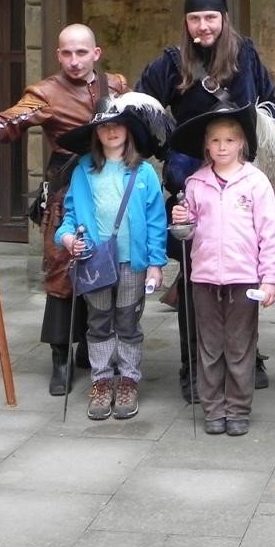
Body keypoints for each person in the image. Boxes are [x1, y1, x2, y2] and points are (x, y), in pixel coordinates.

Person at [136, 0, 275, 402]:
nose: (203, 26)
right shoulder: (170, 61)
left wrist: (258, 131)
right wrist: (171, 147)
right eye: (195, 18)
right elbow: (143, 109)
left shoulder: (246, 54)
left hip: (239, 180)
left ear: (224, 18)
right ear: (186, 21)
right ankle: (193, 367)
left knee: (243, 276)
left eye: (211, 18)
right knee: (195, 279)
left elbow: (271, 102)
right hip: (190, 183)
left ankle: (246, 359)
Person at [0, 23, 128, 396]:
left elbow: (134, 121)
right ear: (58, 55)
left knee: (106, 265)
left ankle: (94, 347)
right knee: (63, 272)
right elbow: (11, 121)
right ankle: (61, 359)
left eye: (81, 52)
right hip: (67, 192)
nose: (74, 61)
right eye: (67, 53)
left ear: (96, 53)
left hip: (110, 189)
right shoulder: (45, 93)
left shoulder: (117, 85)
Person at [169, 103, 275, 436]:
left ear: (241, 144)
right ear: (206, 144)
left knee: (239, 346)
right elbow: (188, 228)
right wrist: (182, 220)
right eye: (216, 141)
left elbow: (269, 232)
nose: (222, 147)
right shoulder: (195, 183)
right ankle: (213, 408)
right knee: (208, 346)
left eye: (229, 141)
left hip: (244, 277)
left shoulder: (255, 182)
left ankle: (237, 408)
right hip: (204, 277)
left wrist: (270, 277)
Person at [54, 93, 170, 420]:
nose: (112, 132)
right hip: (94, 261)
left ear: (129, 131)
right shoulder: (82, 172)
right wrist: (66, 238)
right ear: (96, 133)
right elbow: (70, 216)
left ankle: (129, 379)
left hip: (133, 262)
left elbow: (156, 222)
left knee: (128, 320)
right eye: (105, 127)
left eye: (119, 126)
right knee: (100, 321)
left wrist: (156, 264)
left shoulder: (144, 173)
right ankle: (102, 379)